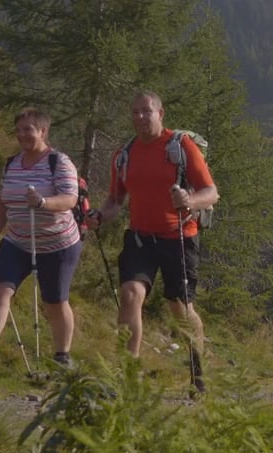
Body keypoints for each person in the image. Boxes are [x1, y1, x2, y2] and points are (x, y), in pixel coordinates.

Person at [92, 92, 219, 394]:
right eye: (134, 112)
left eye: (145, 111)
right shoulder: (124, 154)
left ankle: (198, 369)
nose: (139, 117)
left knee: (181, 309)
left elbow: (211, 192)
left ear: (160, 113)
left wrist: (190, 200)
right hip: (140, 237)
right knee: (130, 294)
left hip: (179, 237)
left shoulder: (180, 146)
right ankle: (127, 376)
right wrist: (100, 215)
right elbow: (115, 199)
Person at [0, 108, 83, 370]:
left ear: (43, 132)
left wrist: (44, 202)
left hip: (58, 243)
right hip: (18, 240)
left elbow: (70, 199)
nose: (22, 135)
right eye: (19, 130)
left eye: (28, 130)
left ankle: (62, 359)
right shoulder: (12, 163)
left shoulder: (60, 162)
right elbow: (3, 202)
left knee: (54, 302)